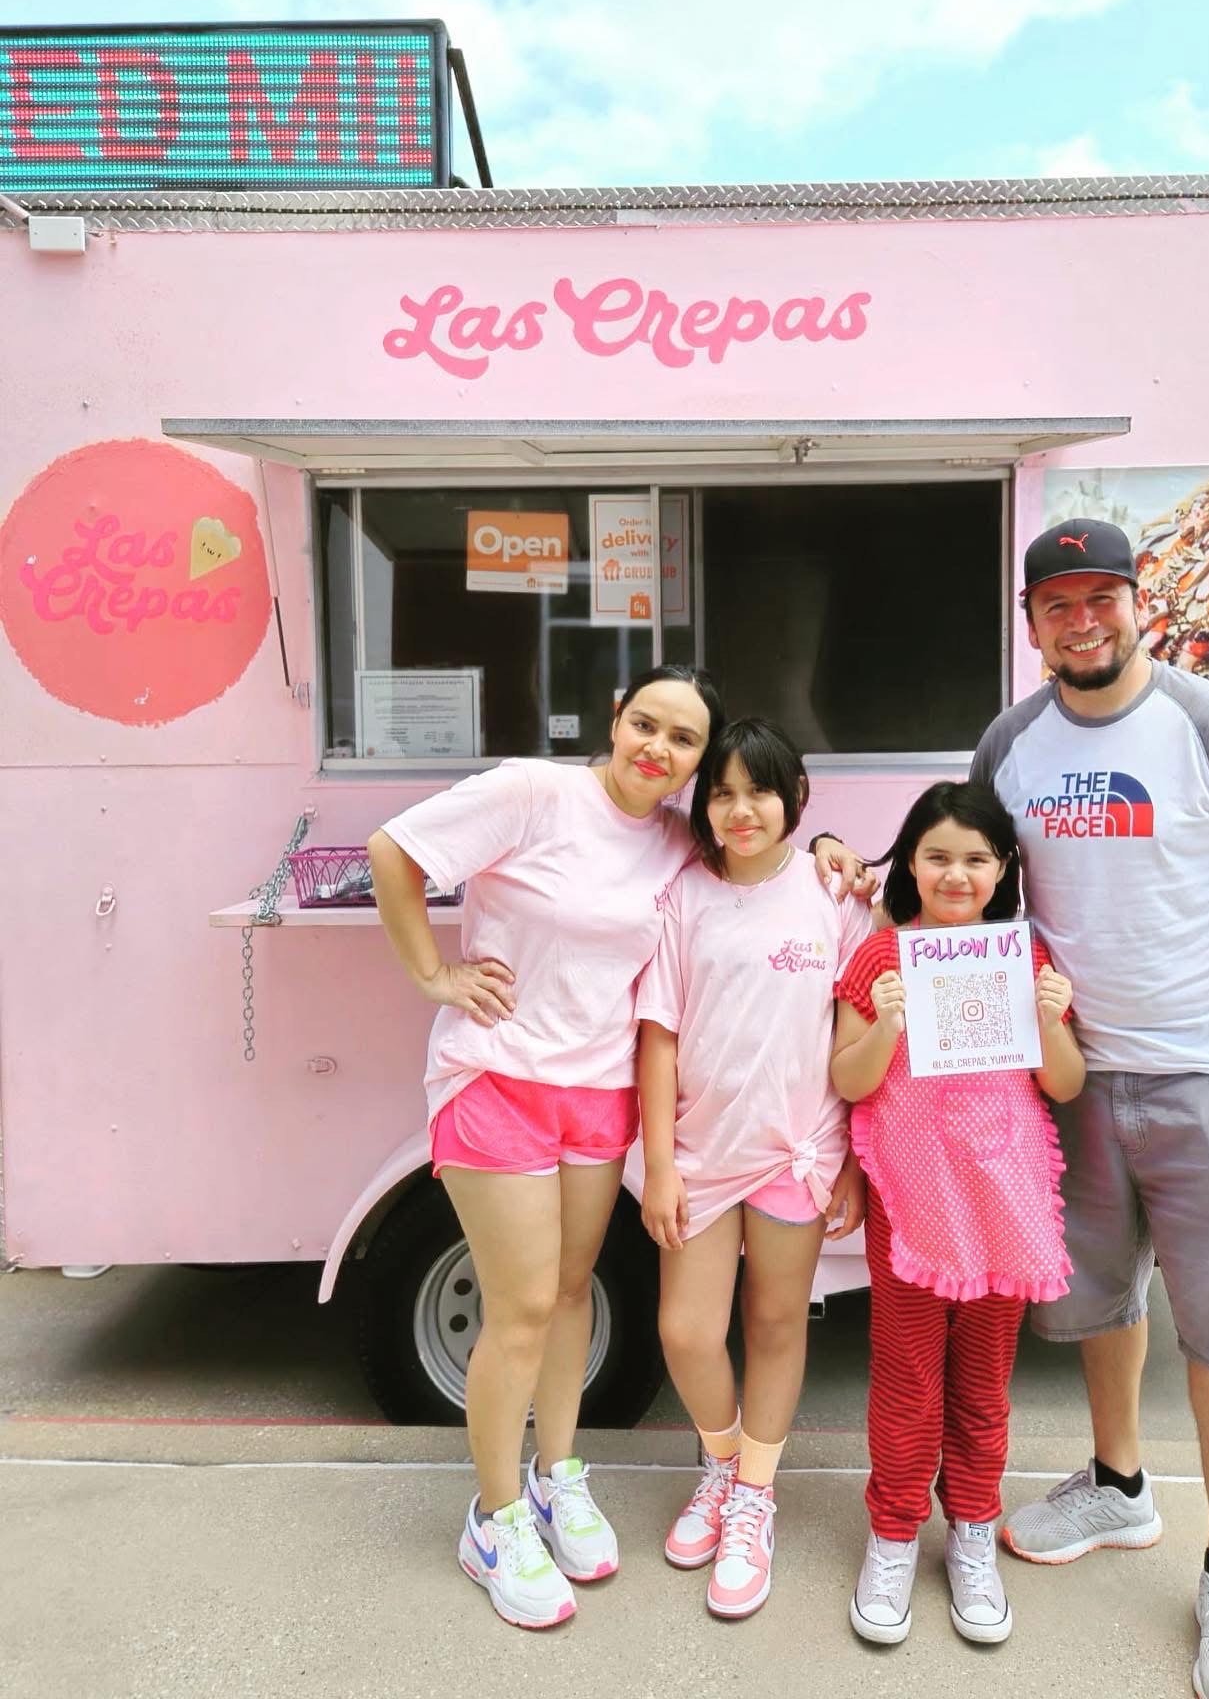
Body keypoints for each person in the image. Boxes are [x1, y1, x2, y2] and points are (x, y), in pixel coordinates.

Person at [367, 667, 870, 1632]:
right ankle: (497, 1517)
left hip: (597, 1094)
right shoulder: (532, 791)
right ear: (615, 718)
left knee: (567, 1294)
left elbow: (770, 838)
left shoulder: (682, 842)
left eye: (685, 742)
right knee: (517, 1308)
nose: (660, 750)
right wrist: (434, 973)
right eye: (648, 724)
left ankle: (559, 1477)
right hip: (499, 1078)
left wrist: (834, 848)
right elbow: (394, 849)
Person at [971, 519, 1209, 1699]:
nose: (1083, 621)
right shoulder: (1012, 743)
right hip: (1076, 1078)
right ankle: (1118, 1485)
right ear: (1031, 625)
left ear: (1140, 604)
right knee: (1096, 1299)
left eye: (1103, 599)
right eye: (1058, 605)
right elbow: (964, 871)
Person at [832, 781, 1084, 1648]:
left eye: (977, 858)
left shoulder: (1027, 958)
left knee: (982, 1385)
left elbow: (1064, 1083)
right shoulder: (877, 961)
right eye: (937, 855)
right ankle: (895, 1533)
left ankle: (972, 1530)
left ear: (1003, 867)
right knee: (907, 1378)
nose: (956, 874)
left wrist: (1051, 1021)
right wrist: (885, 1027)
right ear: (909, 861)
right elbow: (849, 1080)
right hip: (912, 1203)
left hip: (1001, 1198)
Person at [636, 718, 872, 1620]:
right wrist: (658, 1164)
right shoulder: (683, 899)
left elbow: (854, 1037)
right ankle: (723, 1462)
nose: (741, 809)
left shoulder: (833, 900)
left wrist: (850, 1159)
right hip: (701, 1156)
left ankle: (754, 1499)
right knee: (688, 1333)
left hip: (797, 1152)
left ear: (795, 800)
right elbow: (657, 1040)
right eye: (723, 793)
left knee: (776, 1322)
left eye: (759, 791)